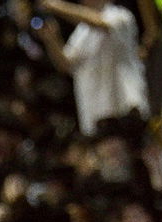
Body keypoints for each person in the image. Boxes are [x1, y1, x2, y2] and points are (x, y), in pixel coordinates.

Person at [32, 0, 147, 135]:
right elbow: (66, 65)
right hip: (96, 111)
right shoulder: (82, 30)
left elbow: (101, 23)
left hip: (125, 108)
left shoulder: (121, 15)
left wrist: (57, 6)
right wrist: (51, 39)